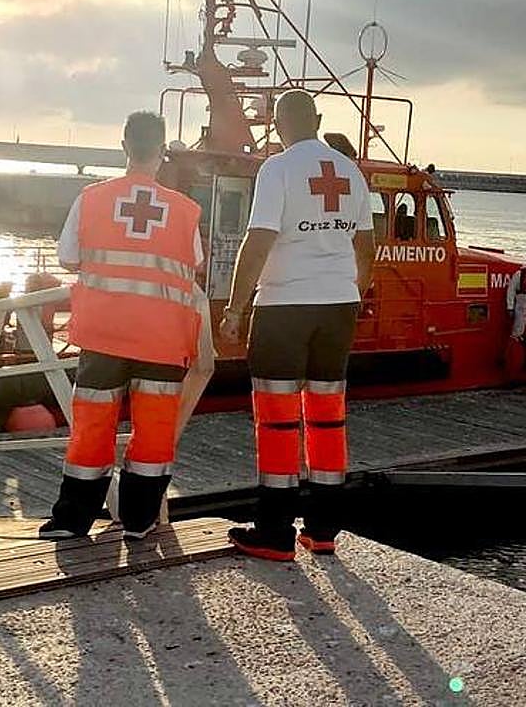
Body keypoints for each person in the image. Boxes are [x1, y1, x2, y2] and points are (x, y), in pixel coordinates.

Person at [219, 88, 375, 561]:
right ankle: (324, 529)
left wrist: (233, 309)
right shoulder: (349, 171)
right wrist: (353, 295)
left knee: (277, 420)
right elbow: (365, 248)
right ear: (318, 118)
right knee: (328, 418)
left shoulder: (278, 169)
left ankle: (274, 531)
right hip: (338, 305)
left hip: (285, 305)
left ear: (278, 124)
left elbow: (258, 240)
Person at [40, 111, 203, 541]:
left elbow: (68, 258)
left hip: (102, 334)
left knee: (93, 428)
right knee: (153, 433)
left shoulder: (91, 199)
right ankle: (138, 520)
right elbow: (193, 264)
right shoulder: (185, 211)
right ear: (163, 152)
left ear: (123, 146)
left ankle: (73, 520)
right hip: (163, 341)